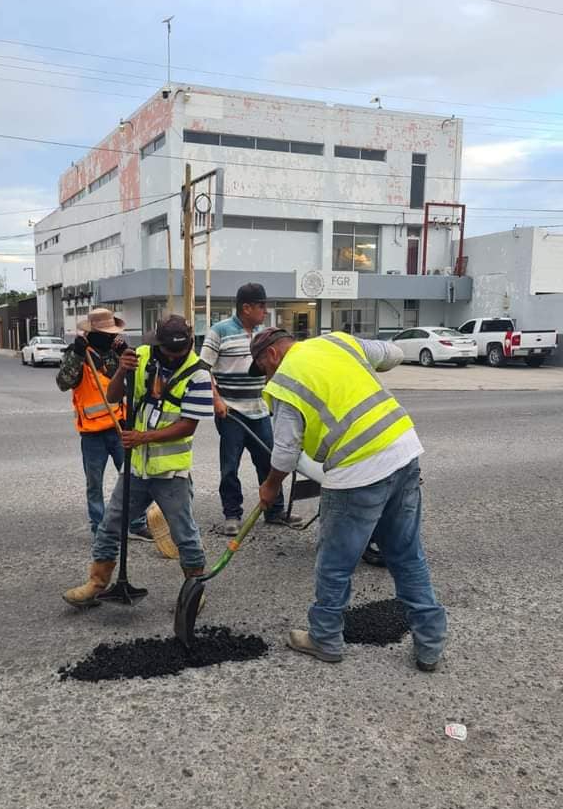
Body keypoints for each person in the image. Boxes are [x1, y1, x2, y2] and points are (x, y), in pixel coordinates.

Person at [251, 327, 448, 672]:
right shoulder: (336, 341)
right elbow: (393, 354)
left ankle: (326, 639)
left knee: (335, 564)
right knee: (406, 555)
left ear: (271, 355)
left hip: (357, 470)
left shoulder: (285, 382)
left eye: (263, 369)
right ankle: (430, 645)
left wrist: (269, 487)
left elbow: (284, 452)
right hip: (402, 450)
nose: (267, 376)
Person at [63, 315, 212, 608]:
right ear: (157, 343)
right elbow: (113, 395)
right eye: (167, 352)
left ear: (190, 345)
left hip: (171, 473)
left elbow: (188, 425)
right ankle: (97, 583)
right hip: (136, 469)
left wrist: (143, 438)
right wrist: (121, 371)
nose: (171, 358)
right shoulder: (140, 357)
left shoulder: (199, 374)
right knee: (110, 526)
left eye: (178, 353)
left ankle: (195, 590)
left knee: (184, 534)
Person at [200, 282, 301, 536]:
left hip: (259, 410)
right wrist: (216, 400)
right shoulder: (219, 331)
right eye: (261, 306)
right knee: (230, 466)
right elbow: (203, 370)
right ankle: (232, 514)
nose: (265, 311)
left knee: (269, 460)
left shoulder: (263, 335)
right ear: (246, 308)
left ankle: (275, 510)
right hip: (231, 412)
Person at [56, 309, 151, 541]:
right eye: (106, 333)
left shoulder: (116, 353)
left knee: (132, 477)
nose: (110, 337)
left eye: (113, 333)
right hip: (92, 433)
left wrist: (125, 354)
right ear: (92, 333)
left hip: (119, 426)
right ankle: (99, 528)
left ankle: (137, 523)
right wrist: (77, 355)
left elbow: (134, 382)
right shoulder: (79, 354)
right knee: (94, 484)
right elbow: (63, 382)